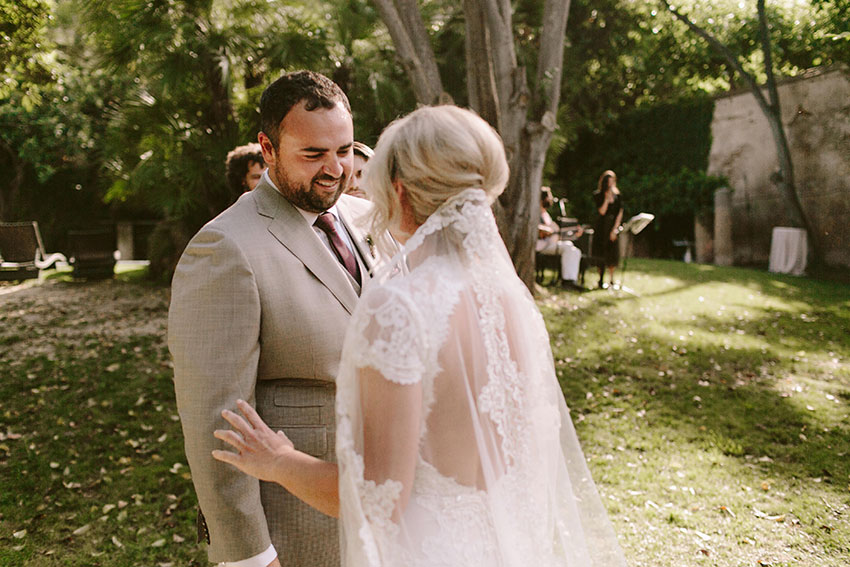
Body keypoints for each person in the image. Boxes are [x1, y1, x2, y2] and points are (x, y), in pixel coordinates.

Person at [212, 105, 627, 567]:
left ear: (400, 191)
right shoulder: (510, 302)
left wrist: (280, 461)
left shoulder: (401, 308)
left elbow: (380, 499)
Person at [169, 70, 394, 567]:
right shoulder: (224, 247)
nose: (335, 169)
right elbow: (217, 421)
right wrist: (249, 555)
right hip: (296, 531)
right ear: (267, 149)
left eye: (344, 150)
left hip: (385, 517)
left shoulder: (367, 219)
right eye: (312, 154)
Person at [537, 186, 583, 290]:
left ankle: (571, 279)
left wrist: (574, 234)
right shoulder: (536, 213)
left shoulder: (546, 215)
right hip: (542, 245)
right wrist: (547, 230)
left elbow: (557, 232)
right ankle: (567, 280)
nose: (551, 200)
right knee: (568, 247)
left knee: (575, 250)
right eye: (548, 198)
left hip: (551, 243)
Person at [592, 170, 623, 289]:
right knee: (600, 253)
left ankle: (611, 280)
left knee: (612, 253)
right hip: (601, 228)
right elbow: (601, 212)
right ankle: (600, 280)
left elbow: (619, 212)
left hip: (612, 227)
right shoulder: (598, 195)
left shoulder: (618, 196)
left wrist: (615, 229)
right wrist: (606, 199)